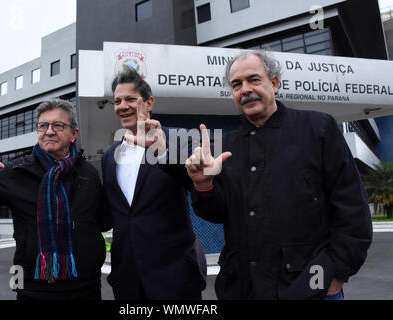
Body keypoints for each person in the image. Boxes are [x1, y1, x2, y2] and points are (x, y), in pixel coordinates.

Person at [185, 50, 373, 300]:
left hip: (310, 289)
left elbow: (352, 209)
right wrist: (204, 184)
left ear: (274, 83)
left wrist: (336, 272)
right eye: (236, 85)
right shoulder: (226, 146)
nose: (246, 90)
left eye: (254, 79)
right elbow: (219, 212)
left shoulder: (318, 129)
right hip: (243, 288)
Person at [0, 98, 112, 300]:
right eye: (43, 125)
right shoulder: (17, 172)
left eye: (58, 125)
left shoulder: (88, 173)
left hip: (86, 288)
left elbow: (103, 220)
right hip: (35, 291)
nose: (49, 131)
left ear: (74, 134)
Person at [101, 65, 207, 300]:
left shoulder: (180, 139)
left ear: (149, 103)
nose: (122, 106)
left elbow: (195, 183)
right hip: (127, 281)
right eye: (117, 101)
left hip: (175, 276)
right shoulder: (109, 157)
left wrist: (162, 153)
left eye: (130, 99)